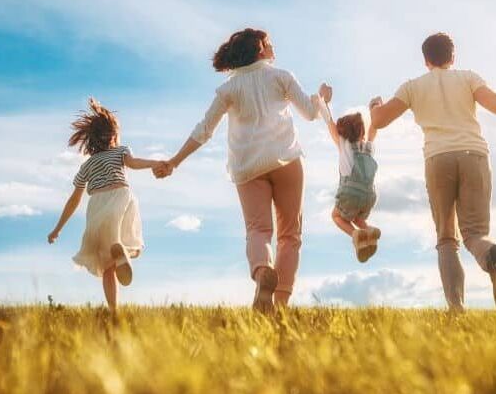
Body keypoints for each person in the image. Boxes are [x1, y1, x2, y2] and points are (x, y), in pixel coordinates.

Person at [153, 28, 328, 313]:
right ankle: (280, 307)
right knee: (289, 236)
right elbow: (310, 113)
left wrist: (174, 161)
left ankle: (262, 274)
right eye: (269, 43)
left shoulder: (228, 89)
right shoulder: (282, 76)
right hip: (287, 161)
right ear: (260, 49)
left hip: (248, 166)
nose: (273, 48)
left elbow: (204, 130)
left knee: (258, 230)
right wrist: (321, 98)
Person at [369, 32, 496, 312]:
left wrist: (374, 105)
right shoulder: (468, 78)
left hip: (438, 160)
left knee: (447, 238)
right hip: (474, 155)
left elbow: (379, 120)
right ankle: (491, 255)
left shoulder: (412, 86)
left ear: (426, 60)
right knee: (475, 234)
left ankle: (456, 308)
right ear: (453, 57)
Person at [47, 98, 160, 312]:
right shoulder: (121, 151)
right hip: (121, 198)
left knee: (106, 265)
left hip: (97, 207)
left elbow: (74, 199)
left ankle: (113, 310)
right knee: (132, 243)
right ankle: (124, 255)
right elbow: (134, 164)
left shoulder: (87, 165)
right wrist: (156, 163)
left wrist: (57, 229)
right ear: (114, 135)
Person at [319, 97, 381, 262]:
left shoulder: (344, 146)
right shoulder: (368, 147)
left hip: (350, 194)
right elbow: (374, 130)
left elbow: (329, 122)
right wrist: (375, 108)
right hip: (369, 196)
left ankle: (355, 234)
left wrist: (322, 101)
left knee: (336, 216)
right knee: (356, 216)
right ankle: (369, 231)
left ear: (343, 133)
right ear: (362, 132)